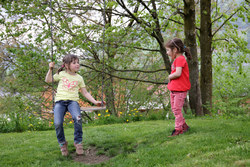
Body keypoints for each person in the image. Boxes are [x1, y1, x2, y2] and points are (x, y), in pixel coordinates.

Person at [45, 54, 104, 156]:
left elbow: (85, 92)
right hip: (60, 102)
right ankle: (62, 144)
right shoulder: (61, 74)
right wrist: (50, 69)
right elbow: (48, 80)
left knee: (78, 119)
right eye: (74, 63)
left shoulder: (79, 78)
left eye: (78, 62)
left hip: (73, 102)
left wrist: (95, 102)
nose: (77, 64)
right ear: (67, 65)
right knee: (58, 123)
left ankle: (78, 142)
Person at [165, 38, 191, 137]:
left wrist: (170, 76)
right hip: (174, 90)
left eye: (168, 50)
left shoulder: (180, 59)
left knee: (176, 110)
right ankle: (184, 126)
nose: (167, 53)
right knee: (175, 109)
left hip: (179, 90)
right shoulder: (178, 59)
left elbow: (178, 73)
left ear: (175, 50)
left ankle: (178, 129)